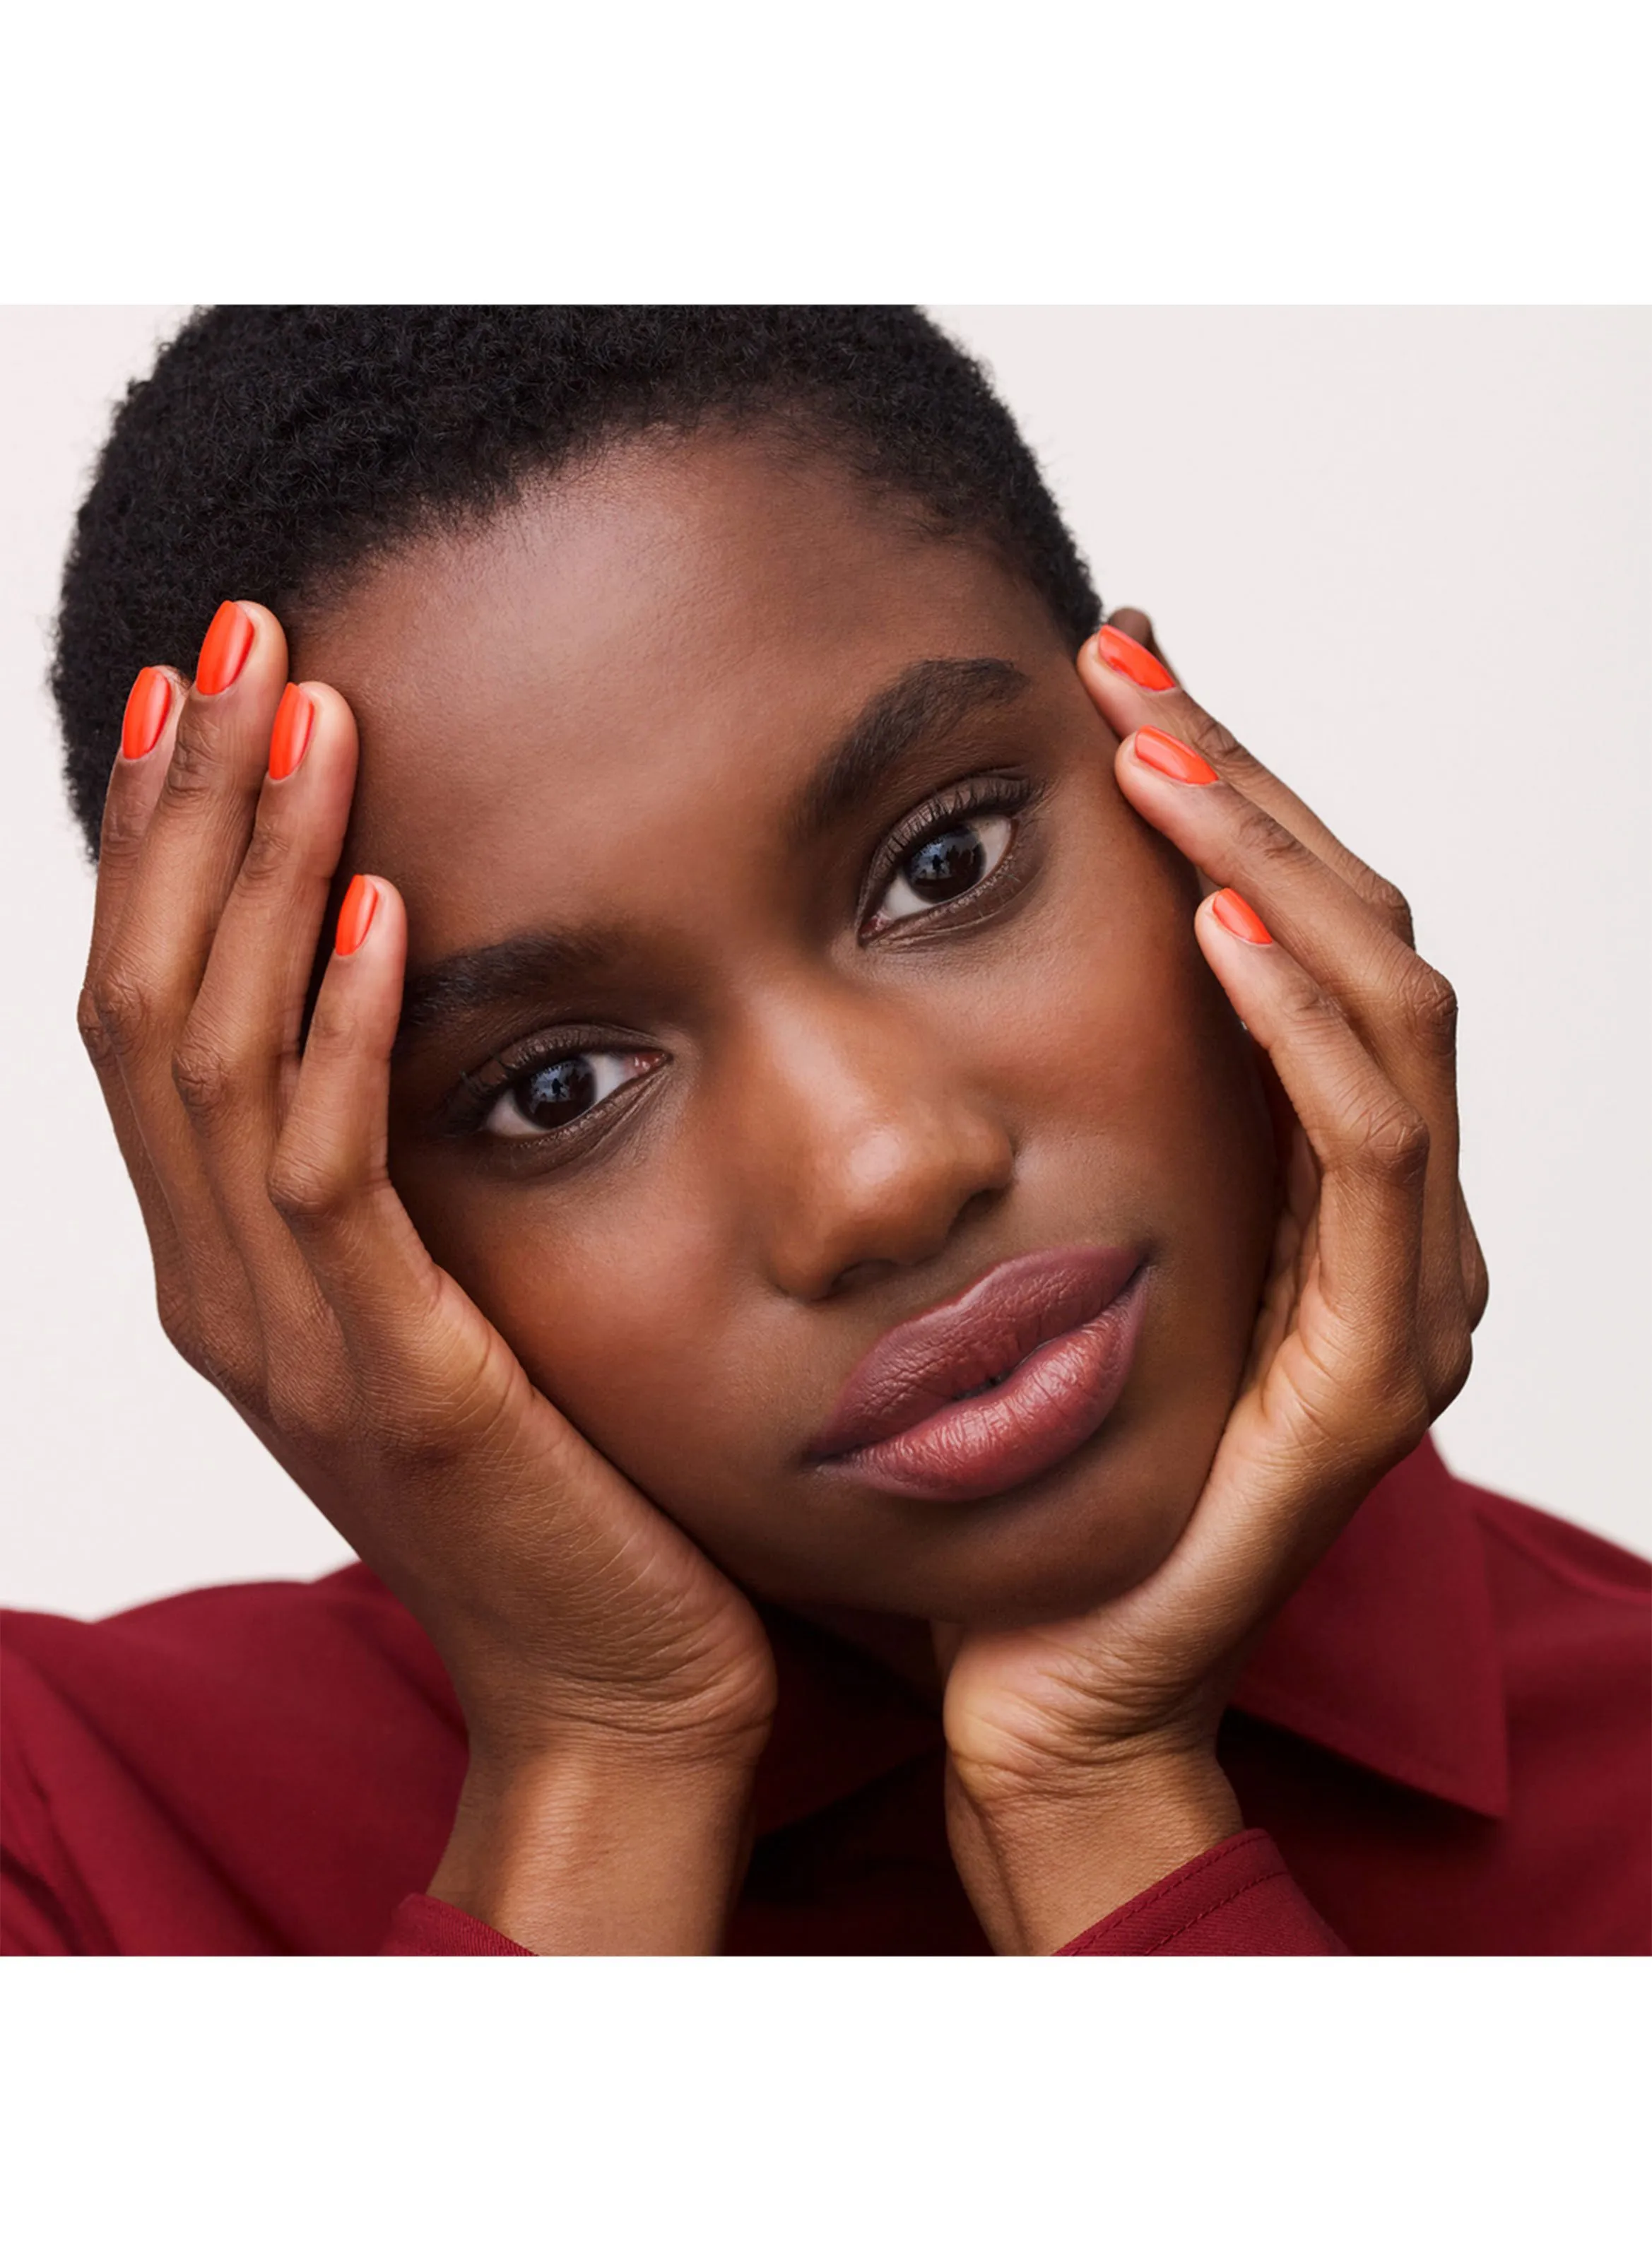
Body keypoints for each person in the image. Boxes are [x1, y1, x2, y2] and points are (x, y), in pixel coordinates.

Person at [4, 307, 1646, 1956]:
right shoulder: (73, 1849)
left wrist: (1104, 1797)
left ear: (1188, 776)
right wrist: (602, 1758)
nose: (882, 1173)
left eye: (945, 864)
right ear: (277, 1197)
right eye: (554, 1087)